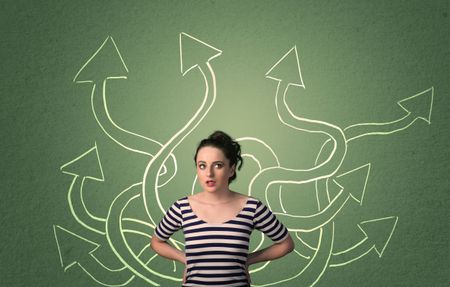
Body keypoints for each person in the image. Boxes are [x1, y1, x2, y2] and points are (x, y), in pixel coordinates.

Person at [150, 131, 294, 286]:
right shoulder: (182, 207)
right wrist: (186, 259)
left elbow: (286, 244)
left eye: (218, 165)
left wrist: (247, 261)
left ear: (231, 169)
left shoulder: (252, 207)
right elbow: (157, 242)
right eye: (202, 166)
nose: (209, 173)